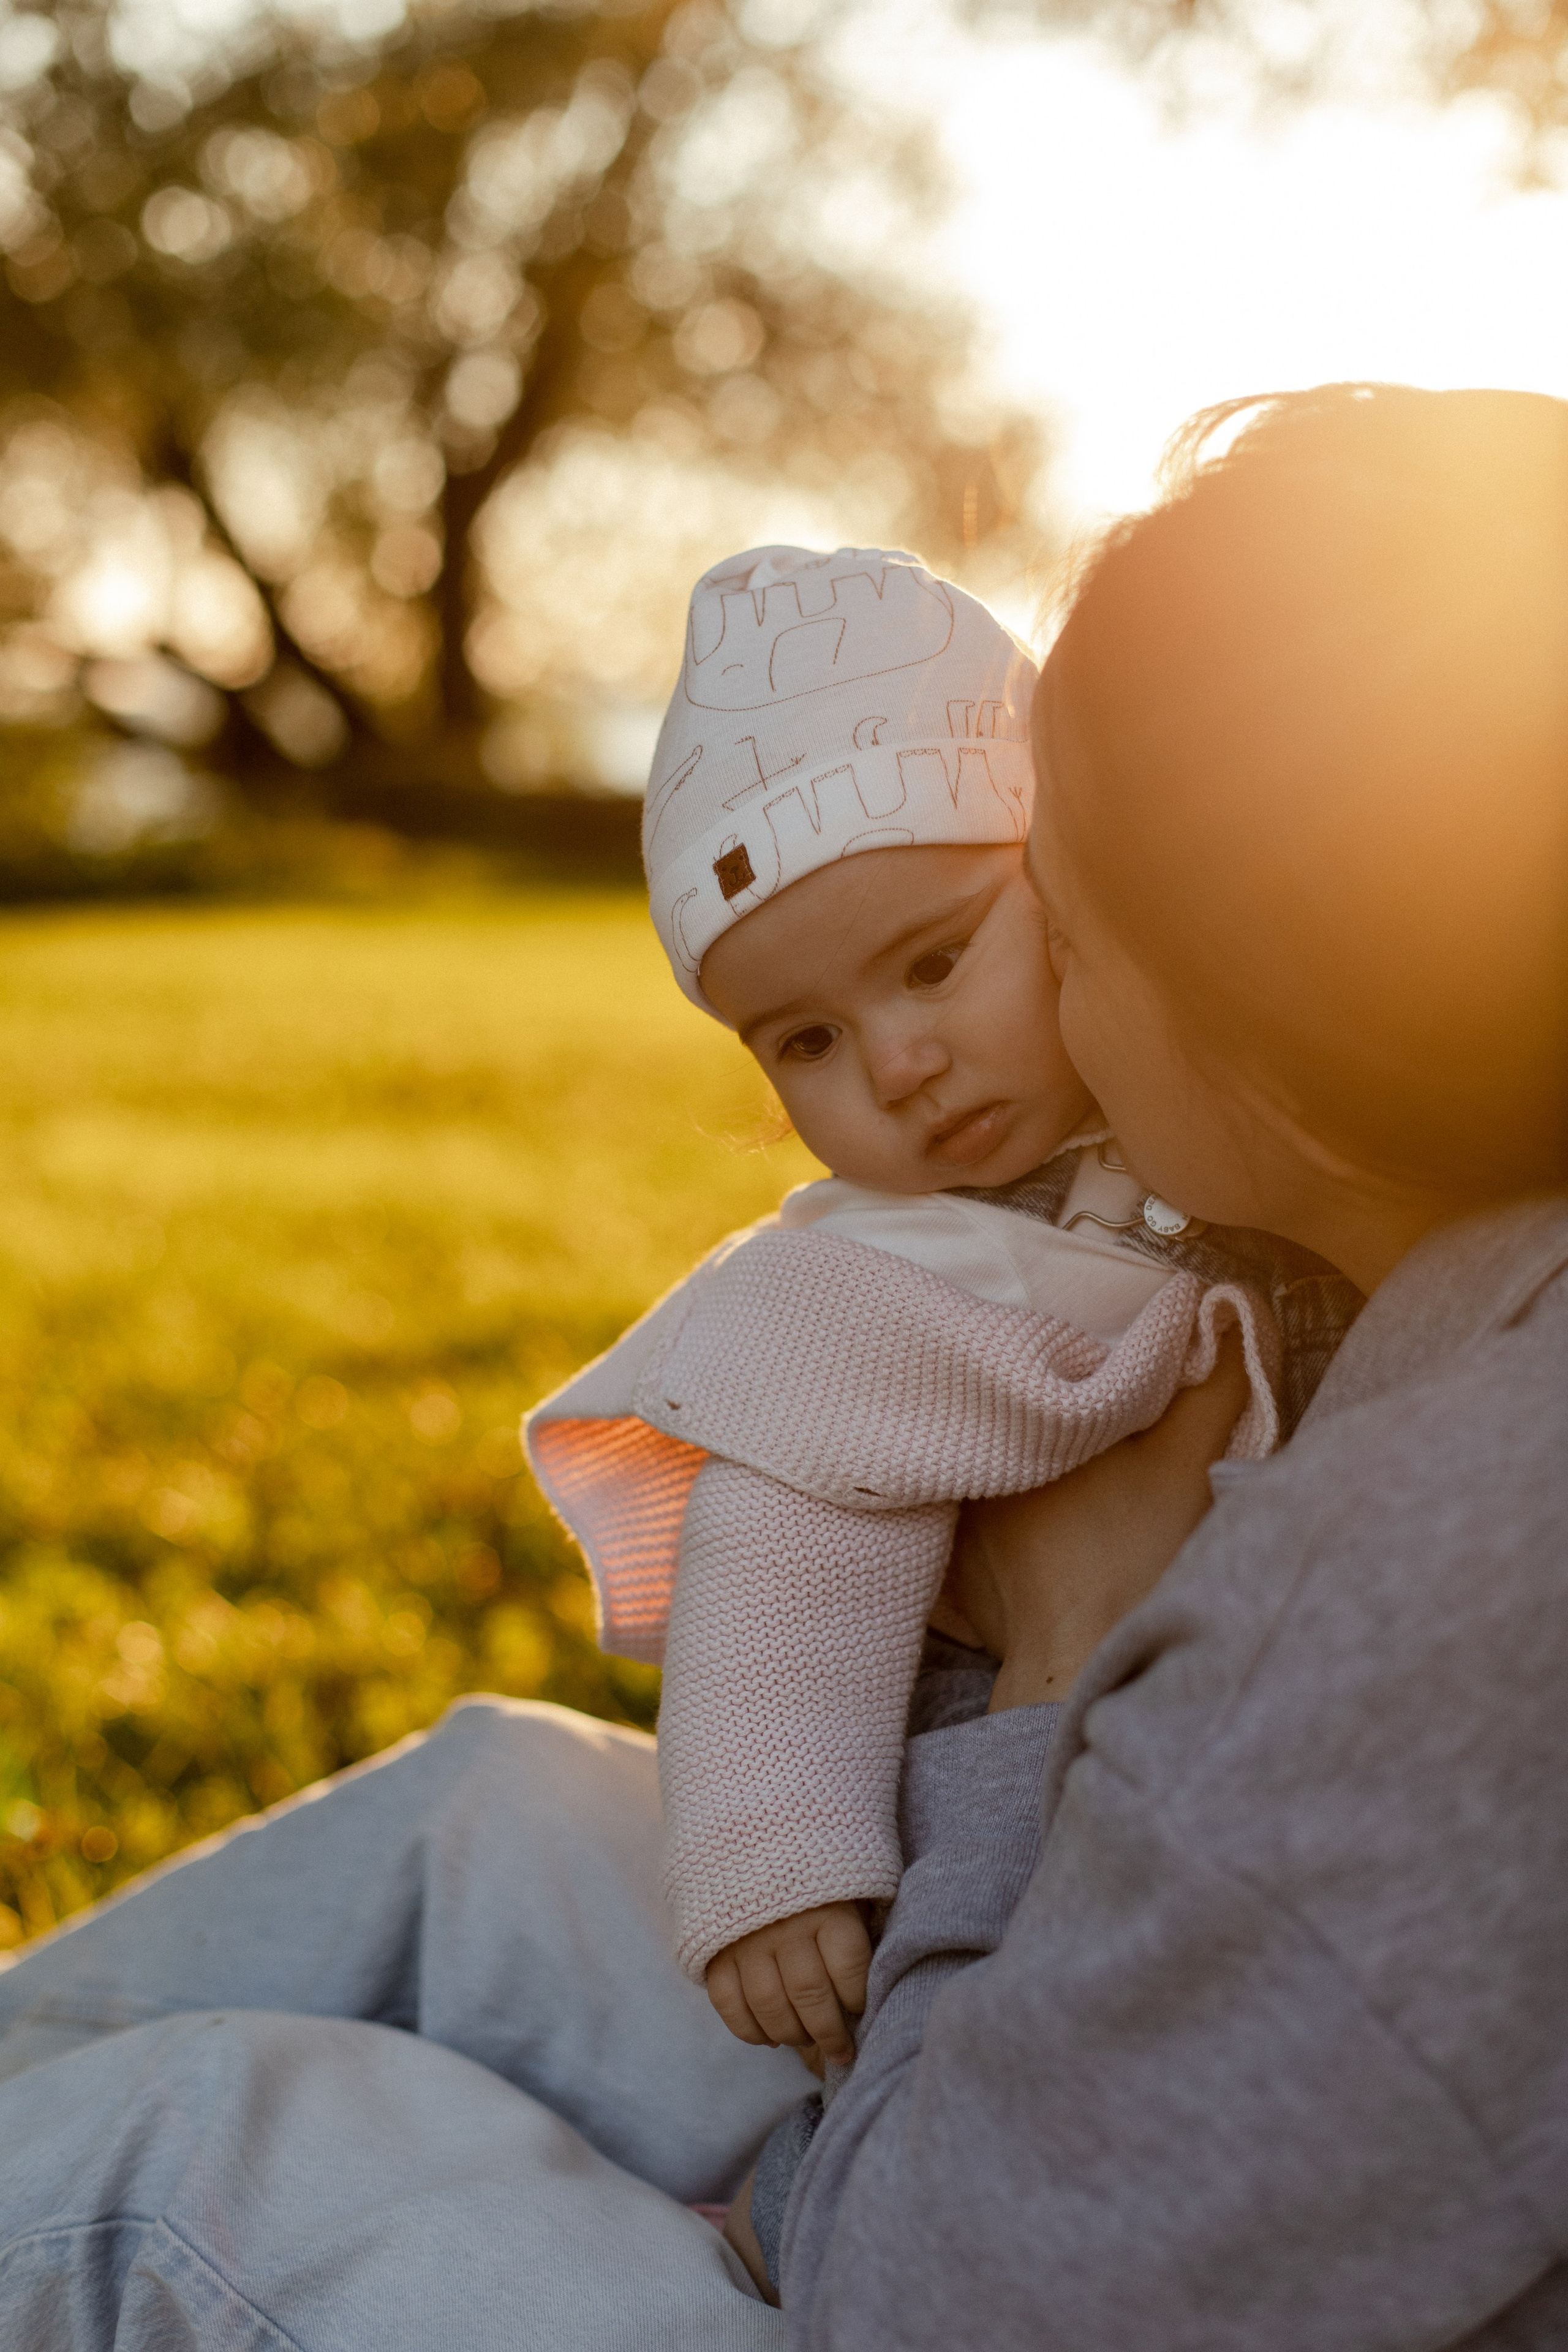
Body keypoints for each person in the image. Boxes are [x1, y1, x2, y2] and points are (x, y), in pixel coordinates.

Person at [1, 380, 1564, 2352]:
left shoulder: (1428, 1615)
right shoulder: (1460, 1265)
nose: (947, 1039)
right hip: (1043, 2040)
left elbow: (920, 2292)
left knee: (184, 2160)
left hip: (929, 2230)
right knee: (486, 1809)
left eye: (1045, 920)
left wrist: (1068, 1647)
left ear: (1275, 1002)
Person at [527, 541, 1354, 2069]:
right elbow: (782, 1558)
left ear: (1065, 881)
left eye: (932, 962)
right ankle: (811, 2198)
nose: (896, 1064)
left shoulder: (1209, 1109)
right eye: (807, 1040)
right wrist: (774, 1861)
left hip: (1251, 1746)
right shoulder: (893, 1281)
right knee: (910, 2039)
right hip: (974, 1807)